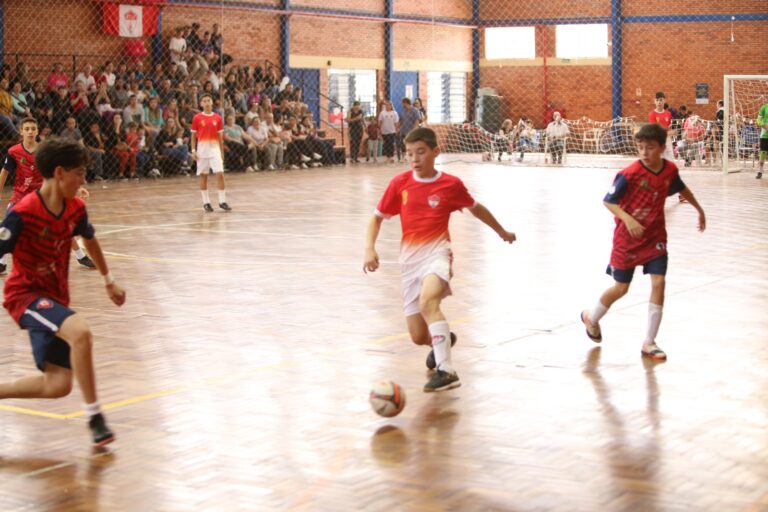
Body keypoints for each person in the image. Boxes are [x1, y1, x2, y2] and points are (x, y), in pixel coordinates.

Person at [363, 127, 517, 392]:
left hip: (437, 255)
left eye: (421, 152)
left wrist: (501, 231)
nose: (415, 158)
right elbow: (376, 218)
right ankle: (441, 339)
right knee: (417, 335)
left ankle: (447, 371)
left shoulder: (450, 185)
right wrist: (369, 249)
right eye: (410, 153)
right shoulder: (400, 184)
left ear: (436, 152)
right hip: (409, 263)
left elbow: (476, 208)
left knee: (428, 301)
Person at [0, 137, 125, 446]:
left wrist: (108, 279)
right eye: (79, 173)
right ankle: (95, 417)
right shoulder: (22, 212)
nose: (83, 180)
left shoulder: (75, 208)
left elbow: (89, 239)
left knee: (57, 385)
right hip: (25, 296)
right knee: (80, 332)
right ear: (59, 173)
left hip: (54, 299)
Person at [580, 123, 706, 361]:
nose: (644, 152)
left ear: (662, 147)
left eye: (650, 147)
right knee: (621, 288)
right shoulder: (629, 174)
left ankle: (649, 342)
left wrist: (699, 210)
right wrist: (628, 219)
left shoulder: (669, 170)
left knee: (659, 282)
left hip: (655, 237)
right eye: (640, 147)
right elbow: (608, 201)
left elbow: (682, 188)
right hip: (627, 239)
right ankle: (591, 317)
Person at [0, 117, 96, 274]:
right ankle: (1, 262)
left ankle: (81, 256)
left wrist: (77, 188)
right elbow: (4, 173)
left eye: (33, 129)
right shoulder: (13, 151)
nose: (30, 132)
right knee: (7, 225)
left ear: (37, 131)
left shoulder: (43, 151)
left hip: (42, 195)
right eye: (27, 129)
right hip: (20, 195)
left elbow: (58, 173)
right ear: (21, 131)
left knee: (61, 223)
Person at [191, 93, 231, 212]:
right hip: (202, 151)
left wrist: (221, 151)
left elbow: (220, 137)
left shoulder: (217, 118)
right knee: (204, 176)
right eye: (204, 101)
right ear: (201, 104)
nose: (207, 103)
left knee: (220, 174)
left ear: (212, 102)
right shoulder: (197, 118)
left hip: (215, 150)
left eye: (209, 100)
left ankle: (222, 201)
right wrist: (193, 150)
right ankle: (206, 202)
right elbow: (193, 136)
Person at [649, 92, 674, 161]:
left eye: (660, 100)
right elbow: (653, 130)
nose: (659, 102)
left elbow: (668, 127)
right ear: (654, 101)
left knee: (670, 160)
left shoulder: (668, 114)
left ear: (664, 101)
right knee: (658, 161)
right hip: (657, 140)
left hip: (667, 140)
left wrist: (671, 132)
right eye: (657, 100)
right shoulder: (652, 114)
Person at [756, 101, 768, 179]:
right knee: (762, 154)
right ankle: (760, 171)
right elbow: (758, 120)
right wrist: (764, 126)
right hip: (764, 136)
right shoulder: (764, 107)